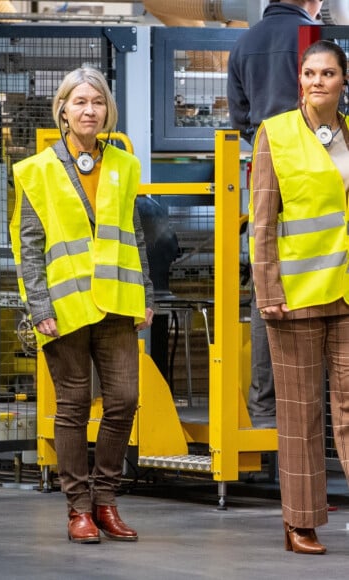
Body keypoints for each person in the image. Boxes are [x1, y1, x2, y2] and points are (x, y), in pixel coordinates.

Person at [10, 67, 154, 544]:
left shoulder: (124, 165)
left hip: (117, 302)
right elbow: (29, 245)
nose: (89, 110)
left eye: (97, 102)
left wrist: (146, 295)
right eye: (80, 102)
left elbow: (134, 235)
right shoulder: (38, 170)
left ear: (106, 110)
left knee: (125, 400)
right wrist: (39, 305)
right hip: (65, 307)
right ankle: (78, 509)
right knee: (72, 406)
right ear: (63, 110)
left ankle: (105, 499)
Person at [249, 39, 349, 555]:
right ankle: (300, 522)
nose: (317, 82)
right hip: (296, 298)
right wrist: (267, 290)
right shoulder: (277, 134)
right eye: (309, 73)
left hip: (348, 294)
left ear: (343, 81)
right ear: (300, 81)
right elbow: (262, 222)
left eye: (327, 74)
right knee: (300, 413)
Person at [227, 0, 322, 427]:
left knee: (268, 290)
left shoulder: (243, 44)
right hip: (318, 177)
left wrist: (271, 143)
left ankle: (265, 413)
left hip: (264, 171)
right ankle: (316, 413)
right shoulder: (314, 41)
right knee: (324, 288)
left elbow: (241, 119)